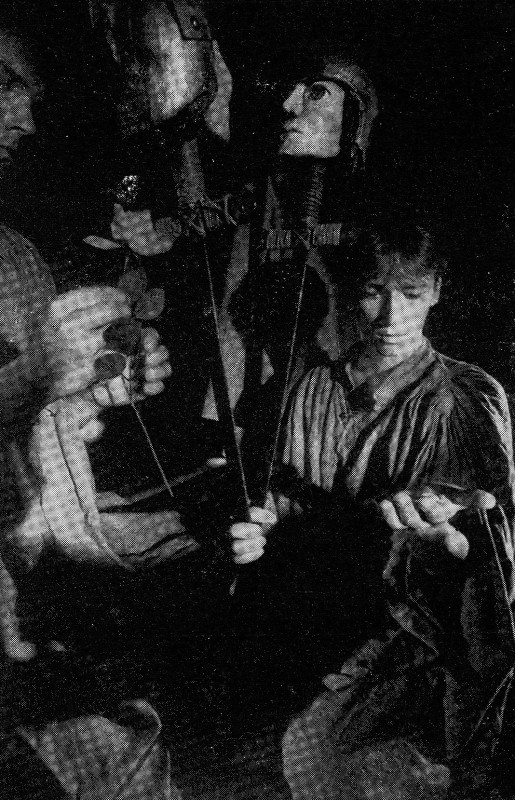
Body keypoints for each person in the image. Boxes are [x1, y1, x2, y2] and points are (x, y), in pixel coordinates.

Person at [229, 215, 515, 799]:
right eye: (372, 292)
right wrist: (259, 524)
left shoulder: (462, 398)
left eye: (410, 293)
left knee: (331, 760)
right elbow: (285, 497)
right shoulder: (311, 389)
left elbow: (489, 544)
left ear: (436, 290)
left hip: (408, 627)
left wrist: (449, 532)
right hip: (308, 612)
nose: (391, 315)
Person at [0, 24, 187, 799]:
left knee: (125, 755)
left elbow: (34, 425)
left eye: (31, 96)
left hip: (21, 577)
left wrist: (95, 387)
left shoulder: (15, 254)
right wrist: (46, 373)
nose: (26, 118)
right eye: (6, 87)